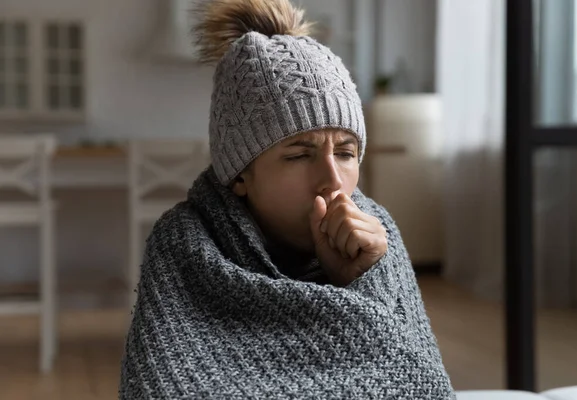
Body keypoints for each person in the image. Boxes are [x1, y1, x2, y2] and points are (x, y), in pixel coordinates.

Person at [119, 0, 455, 398]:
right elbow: (159, 388)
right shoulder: (185, 243)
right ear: (240, 175)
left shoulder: (375, 233)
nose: (333, 180)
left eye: (346, 153)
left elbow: (420, 382)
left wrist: (359, 280)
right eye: (298, 155)